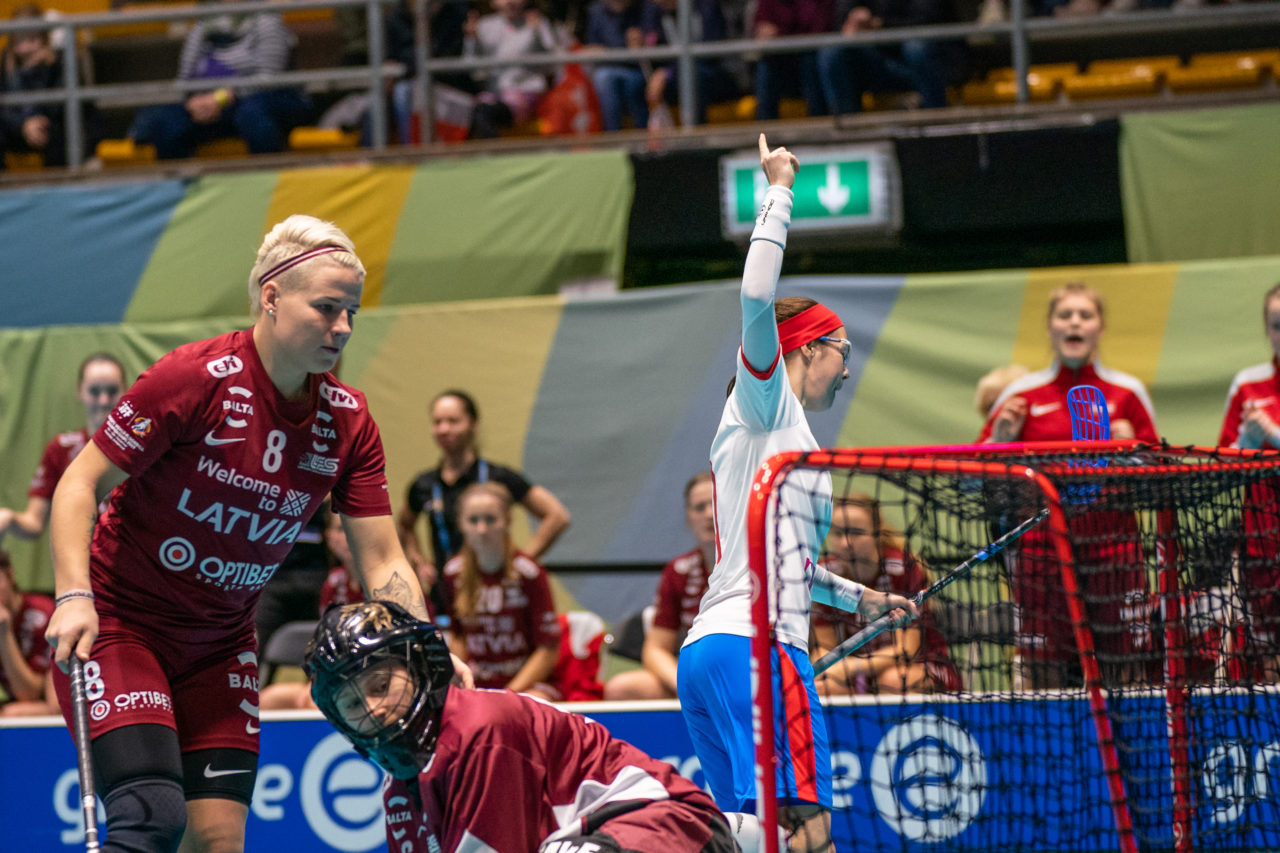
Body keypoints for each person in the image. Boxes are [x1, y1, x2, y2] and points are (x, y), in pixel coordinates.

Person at [43, 215, 437, 853]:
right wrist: (71, 594)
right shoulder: (192, 379)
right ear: (273, 297)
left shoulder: (349, 421)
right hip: (121, 623)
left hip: (222, 644)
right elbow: (78, 483)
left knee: (220, 841)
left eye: (352, 313)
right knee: (151, 817)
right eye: (328, 308)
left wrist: (419, 652)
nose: (342, 328)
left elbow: (385, 558)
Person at [677, 134, 917, 853]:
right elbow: (756, 294)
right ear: (807, 348)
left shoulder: (779, 437)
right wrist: (778, 191)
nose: (849, 369)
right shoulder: (766, 401)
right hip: (756, 650)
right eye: (844, 351)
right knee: (810, 838)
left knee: (752, 840)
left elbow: (787, 563)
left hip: (714, 650)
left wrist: (860, 599)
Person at [305, 601, 738, 853]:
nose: (376, 710)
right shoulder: (399, 791)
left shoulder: (480, 730)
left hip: (670, 827)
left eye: (382, 685)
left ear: (418, 667)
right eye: (353, 704)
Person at [978, 281, 1159, 689]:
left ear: (1100, 328)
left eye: (1085, 315)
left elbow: (1159, 481)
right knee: (1042, 667)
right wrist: (1001, 438)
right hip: (1042, 550)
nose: (1074, 322)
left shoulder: (1127, 394)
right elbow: (972, 478)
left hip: (1115, 550)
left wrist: (1132, 449)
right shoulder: (1020, 395)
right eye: (1065, 315)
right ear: (1050, 328)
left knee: (1124, 664)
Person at [397, 388, 570, 613]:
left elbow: (557, 516)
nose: (444, 429)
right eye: (437, 422)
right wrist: (419, 561)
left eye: (453, 421)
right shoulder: (424, 484)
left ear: (473, 424)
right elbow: (404, 524)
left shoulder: (498, 477)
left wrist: (523, 561)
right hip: (447, 597)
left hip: (496, 597)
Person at [811, 494, 961, 697]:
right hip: (865, 677)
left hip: (922, 667)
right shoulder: (827, 575)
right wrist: (827, 667)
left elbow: (905, 651)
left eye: (856, 533)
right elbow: (824, 648)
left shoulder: (902, 569)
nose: (845, 543)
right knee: (822, 686)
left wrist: (851, 666)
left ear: (877, 533)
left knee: (893, 681)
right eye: (838, 533)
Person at [128, 0, 310, 160]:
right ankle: (184, 192)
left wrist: (222, 97)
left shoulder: (266, 21)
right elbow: (184, 79)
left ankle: (266, 185)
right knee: (166, 122)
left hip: (257, 100)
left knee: (252, 115)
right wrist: (193, 101)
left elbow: (268, 79)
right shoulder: (202, 24)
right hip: (210, 104)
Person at [440, 482, 562, 698]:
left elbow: (548, 650)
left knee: (533, 704)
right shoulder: (452, 574)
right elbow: (458, 637)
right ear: (461, 524)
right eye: (473, 520)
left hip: (526, 686)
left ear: (507, 520)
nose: (482, 529)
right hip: (476, 686)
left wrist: (508, 695)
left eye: (490, 519)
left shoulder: (529, 574)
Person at [1217, 281, 1280, 683]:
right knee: (1270, 651)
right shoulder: (1248, 386)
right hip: (1264, 545)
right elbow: (1222, 469)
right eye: (1277, 324)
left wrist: (1274, 438)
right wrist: (1246, 444)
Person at [603, 470, 714, 700]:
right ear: (688, 518)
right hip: (693, 683)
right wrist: (685, 687)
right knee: (620, 688)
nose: (709, 514)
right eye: (699, 507)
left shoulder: (761, 565)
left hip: (750, 677)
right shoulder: (678, 571)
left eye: (715, 504)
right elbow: (655, 650)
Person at [0, 352, 125, 544]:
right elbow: (34, 522)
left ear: (125, 391)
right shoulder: (61, 448)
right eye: (94, 391)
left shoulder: (142, 448)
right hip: (79, 568)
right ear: (80, 391)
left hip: (130, 566)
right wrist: (9, 519)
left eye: (112, 390)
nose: (103, 400)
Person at [0, 3, 102, 168]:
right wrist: (23, 124)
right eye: (20, 40)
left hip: (51, 127)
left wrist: (38, 71)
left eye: (32, 39)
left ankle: (62, 186)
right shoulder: (7, 61)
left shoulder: (58, 60)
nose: (26, 47)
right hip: (22, 128)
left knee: (63, 135)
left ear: (44, 37)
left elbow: (59, 107)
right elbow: (4, 108)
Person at [815, 0, 951, 116]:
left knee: (916, 47)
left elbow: (926, 17)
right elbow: (842, 18)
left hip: (915, 64)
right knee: (831, 52)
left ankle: (935, 119)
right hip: (874, 61)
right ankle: (848, 129)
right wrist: (852, 21)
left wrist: (881, 25)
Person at [464, 0, 560, 138]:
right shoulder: (484, 26)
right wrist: (471, 40)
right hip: (493, 94)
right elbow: (474, 72)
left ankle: (493, 155)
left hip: (527, 93)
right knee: (475, 111)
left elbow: (552, 66)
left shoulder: (537, 23)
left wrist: (539, 34)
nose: (509, 2)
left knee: (485, 112)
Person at [582, 0, 662, 131]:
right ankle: (613, 139)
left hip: (639, 69)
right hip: (607, 68)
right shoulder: (595, 10)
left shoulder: (648, 8)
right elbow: (593, 47)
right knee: (604, 78)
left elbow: (655, 44)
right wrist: (623, 48)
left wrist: (643, 42)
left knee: (634, 83)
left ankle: (642, 138)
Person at [751, 0, 832, 121]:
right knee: (766, 65)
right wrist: (764, 34)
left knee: (810, 63)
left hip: (809, 62)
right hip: (781, 62)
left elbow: (819, 29)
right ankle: (765, 128)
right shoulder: (767, 3)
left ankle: (819, 125)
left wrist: (779, 34)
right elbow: (761, 26)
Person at [0, 549, 58, 716]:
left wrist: (4, 633)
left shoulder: (44, 614)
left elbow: (30, 695)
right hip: (22, 706)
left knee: (12, 713)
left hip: (58, 712)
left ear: (9, 574)